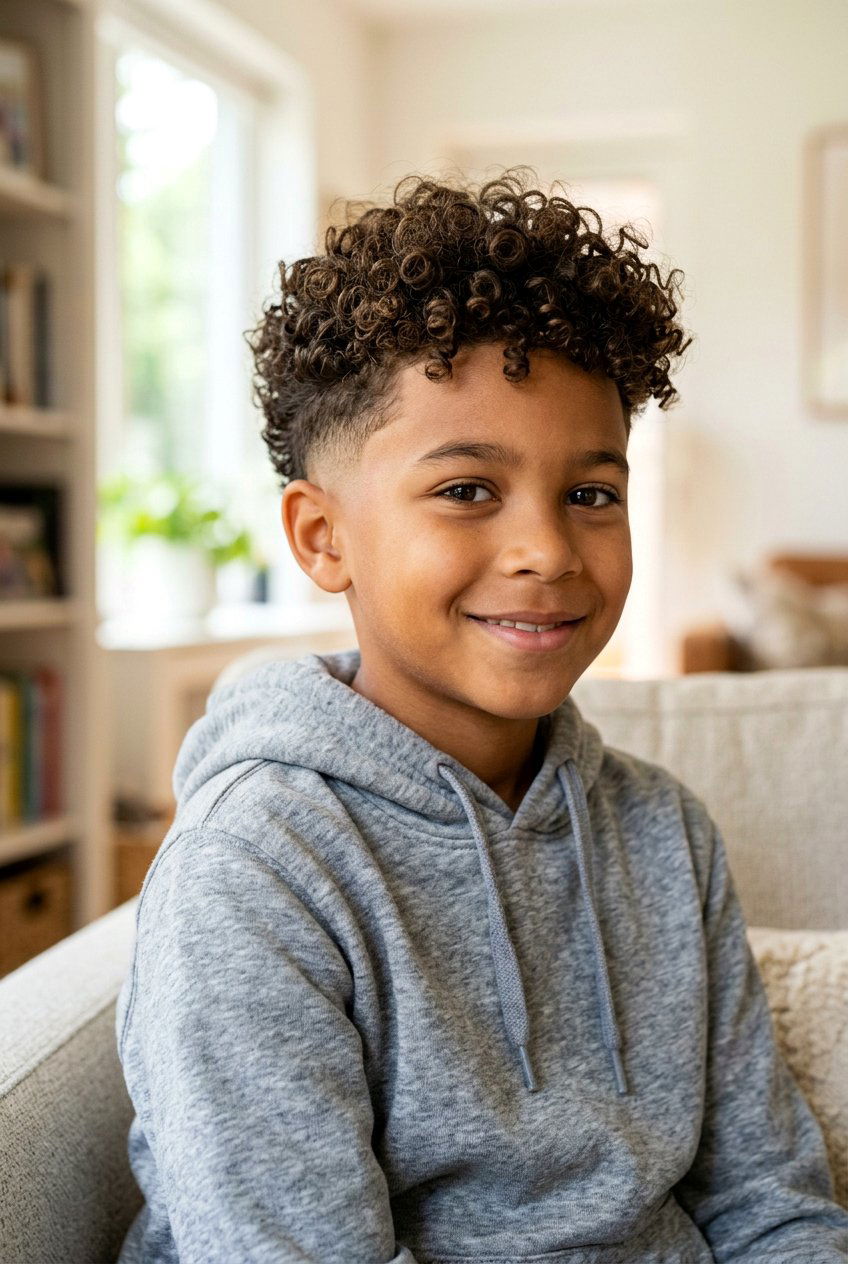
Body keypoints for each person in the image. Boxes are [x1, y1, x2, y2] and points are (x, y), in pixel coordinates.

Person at [114, 169, 848, 1263]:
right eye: (466, 489)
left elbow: (771, 1205)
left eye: (591, 493)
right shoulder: (256, 871)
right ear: (323, 539)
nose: (547, 550)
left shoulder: (663, 833)